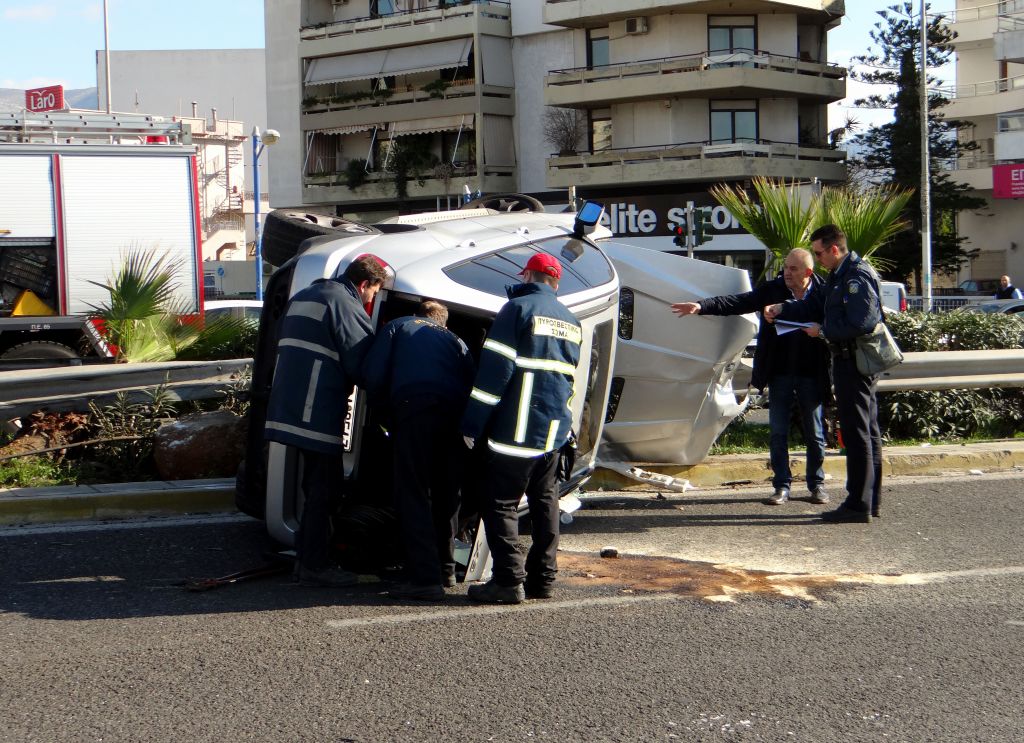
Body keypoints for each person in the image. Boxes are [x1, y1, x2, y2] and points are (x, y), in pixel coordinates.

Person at [461, 252, 582, 604]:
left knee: (499, 503)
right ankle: (543, 580)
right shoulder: (571, 320)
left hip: (516, 429)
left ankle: (508, 580)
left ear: (527, 275)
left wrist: (472, 423)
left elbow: (494, 374)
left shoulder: (516, 310)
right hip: (554, 431)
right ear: (555, 282)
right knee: (546, 503)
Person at [671, 249, 830, 506]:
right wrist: (701, 306)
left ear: (808, 273)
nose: (786, 273)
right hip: (779, 372)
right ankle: (781, 486)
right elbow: (739, 302)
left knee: (815, 433)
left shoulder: (823, 292)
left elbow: (834, 320)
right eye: (786, 267)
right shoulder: (773, 289)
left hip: (811, 373)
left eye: (793, 269)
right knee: (778, 432)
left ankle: (817, 484)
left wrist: (821, 329)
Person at [264, 255, 388, 586]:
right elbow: (362, 363)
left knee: (314, 486)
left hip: (288, 409)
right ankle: (314, 566)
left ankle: (307, 558)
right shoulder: (343, 303)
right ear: (364, 284)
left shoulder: (304, 295)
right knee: (326, 490)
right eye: (374, 293)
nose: (372, 300)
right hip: (315, 411)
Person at [765, 225, 882, 523]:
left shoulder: (855, 275)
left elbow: (862, 322)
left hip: (854, 361)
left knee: (859, 435)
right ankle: (868, 501)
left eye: (818, 253)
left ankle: (859, 504)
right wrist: (783, 307)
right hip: (847, 360)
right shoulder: (839, 275)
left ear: (833, 249)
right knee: (865, 432)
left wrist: (823, 331)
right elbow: (815, 305)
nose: (816, 259)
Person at [361, 300, 475, 601]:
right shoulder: (456, 341)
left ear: (418, 315)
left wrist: (384, 413)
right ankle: (446, 569)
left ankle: (423, 579)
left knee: (413, 491)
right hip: (454, 419)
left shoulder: (399, 326)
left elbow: (372, 374)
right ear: (444, 323)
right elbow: (472, 381)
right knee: (446, 492)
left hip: (415, 410)